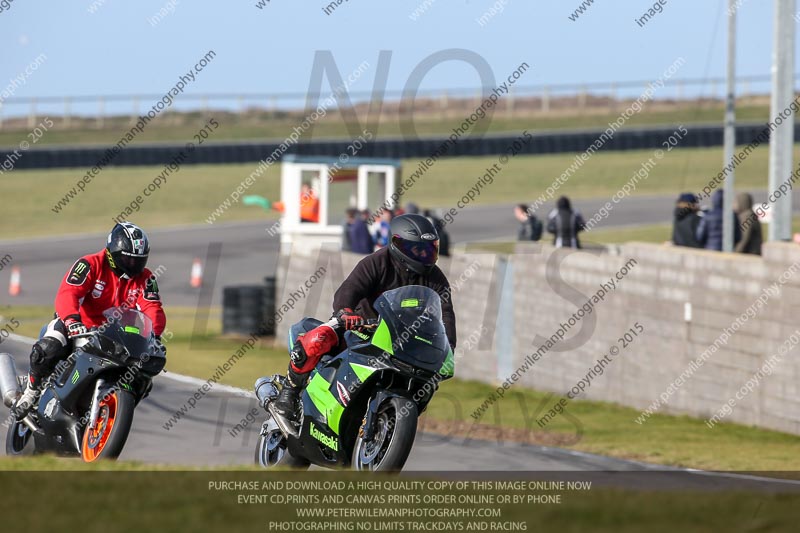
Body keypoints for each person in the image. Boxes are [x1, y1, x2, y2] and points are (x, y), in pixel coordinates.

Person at [273, 213, 457, 422]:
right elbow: (349, 289)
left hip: (401, 343)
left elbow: (446, 314)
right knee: (318, 338)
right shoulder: (377, 262)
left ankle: (391, 419)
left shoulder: (436, 279)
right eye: (417, 249)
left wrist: (448, 347)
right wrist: (346, 312)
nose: (425, 255)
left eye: (430, 249)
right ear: (398, 244)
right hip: (361, 330)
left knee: (428, 378)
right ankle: (289, 392)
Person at [13, 222, 167, 417]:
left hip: (114, 335)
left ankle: (111, 410)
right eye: (127, 259)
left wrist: (154, 335)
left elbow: (152, 307)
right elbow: (68, 293)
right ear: (112, 253)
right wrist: (71, 321)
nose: (132, 265)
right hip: (78, 326)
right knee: (49, 348)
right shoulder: (89, 264)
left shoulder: (146, 278)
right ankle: (31, 391)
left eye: (138, 260)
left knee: (143, 373)